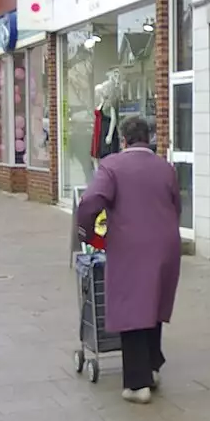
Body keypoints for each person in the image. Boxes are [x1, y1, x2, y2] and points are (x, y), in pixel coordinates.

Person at [74, 115, 181, 404]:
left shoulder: (112, 166)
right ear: (148, 138)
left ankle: (137, 384)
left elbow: (90, 202)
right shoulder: (166, 168)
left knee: (132, 307)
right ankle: (152, 366)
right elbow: (176, 206)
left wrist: (87, 234)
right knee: (153, 303)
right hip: (166, 245)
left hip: (130, 247)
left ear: (123, 139)